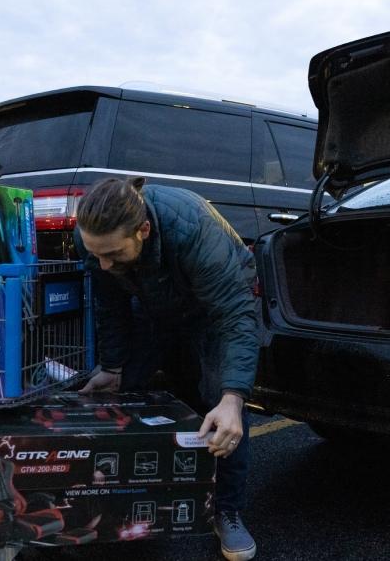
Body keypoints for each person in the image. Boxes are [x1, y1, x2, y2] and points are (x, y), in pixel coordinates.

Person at [76, 177, 259, 561]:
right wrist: (112, 366)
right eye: (96, 254)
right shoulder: (96, 240)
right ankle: (129, 501)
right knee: (129, 389)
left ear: (143, 230)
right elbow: (111, 306)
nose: (103, 263)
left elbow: (236, 318)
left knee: (220, 407)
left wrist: (233, 396)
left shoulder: (194, 230)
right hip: (156, 300)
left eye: (111, 253)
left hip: (214, 308)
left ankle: (226, 511)